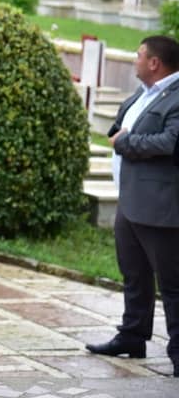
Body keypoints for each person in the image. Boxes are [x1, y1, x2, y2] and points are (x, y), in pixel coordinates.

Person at [87, 36, 179, 378]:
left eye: (139, 55)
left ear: (155, 63)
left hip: (161, 207)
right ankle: (132, 336)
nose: (134, 60)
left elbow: (171, 142)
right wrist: (121, 135)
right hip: (130, 200)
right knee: (134, 274)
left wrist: (126, 142)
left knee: (172, 285)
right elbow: (120, 127)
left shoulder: (177, 97)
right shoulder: (145, 93)